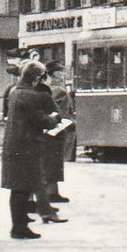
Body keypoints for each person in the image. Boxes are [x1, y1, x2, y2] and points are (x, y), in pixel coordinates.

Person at [0, 60, 60, 240]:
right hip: (27, 146)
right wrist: (54, 118)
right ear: (36, 78)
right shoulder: (30, 95)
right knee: (22, 188)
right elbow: (41, 121)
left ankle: (19, 226)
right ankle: (19, 228)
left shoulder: (15, 92)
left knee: (18, 188)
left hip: (15, 144)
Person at [42, 62, 72, 206]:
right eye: (61, 72)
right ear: (54, 74)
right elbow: (64, 114)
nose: (63, 75)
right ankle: (52, 192)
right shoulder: (60, 91)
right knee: (55, 162)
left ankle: (51, 191)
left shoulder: (44, 89)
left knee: (48, 162)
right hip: (57, 130)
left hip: (45, 130)